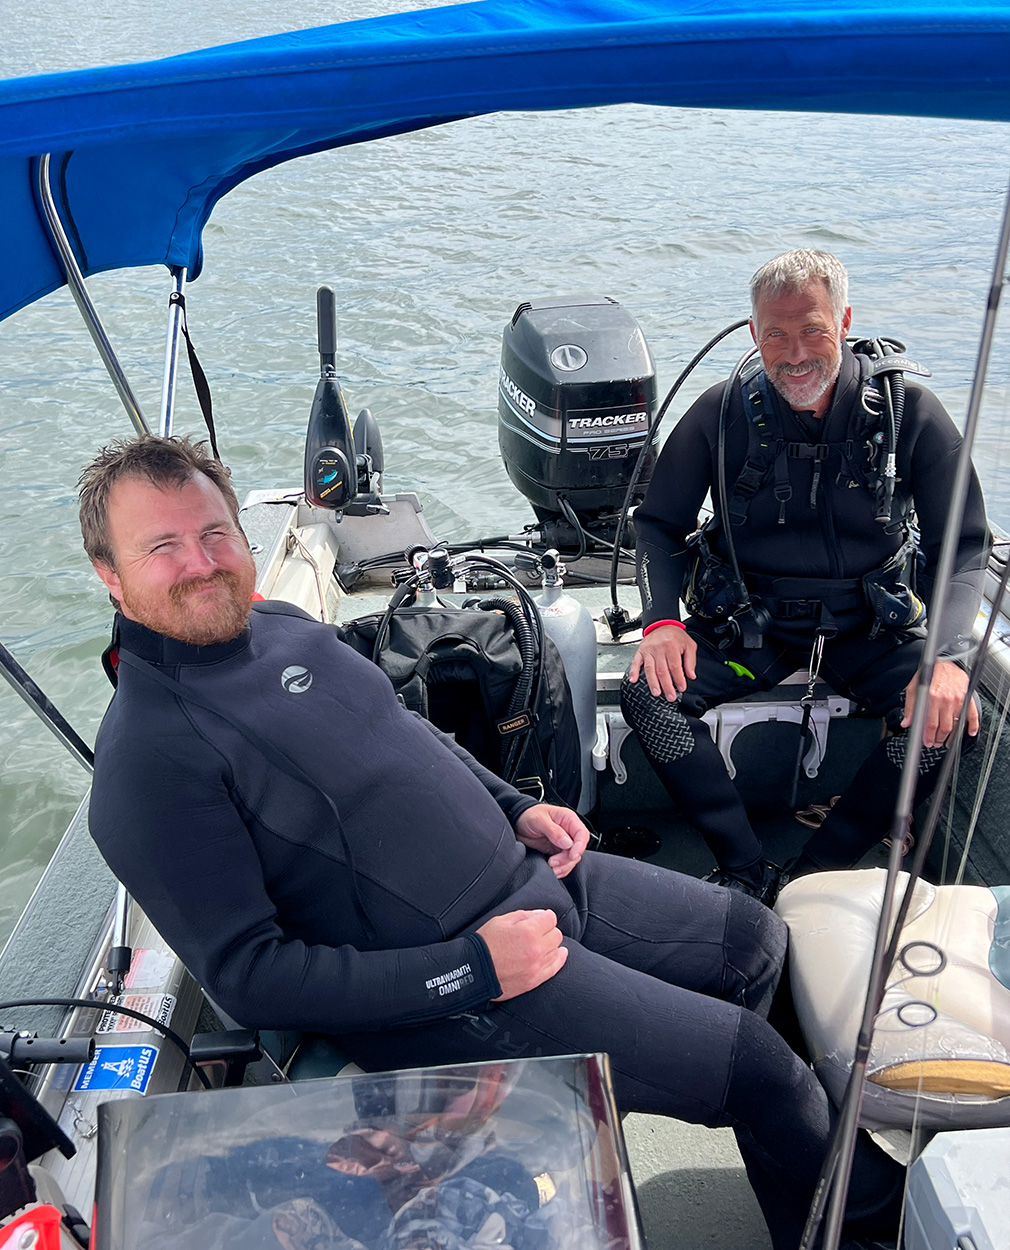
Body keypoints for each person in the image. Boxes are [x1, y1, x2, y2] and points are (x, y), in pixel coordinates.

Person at [80, 434, 901, 1250]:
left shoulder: (282, 625)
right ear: (109, 576)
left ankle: (740, 1128)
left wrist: (513, 807)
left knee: (756, 939)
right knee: (760, 1070)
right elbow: (254, 979)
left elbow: (401, 729)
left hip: (533, 875)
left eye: (215, 532)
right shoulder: (148, 763)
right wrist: (474, 968)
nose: (201, 562)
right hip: (458, 986)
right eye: (162, 547)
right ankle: (857, 1219)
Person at [622, 249, 988, 901]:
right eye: (776, 335)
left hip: (867, 629)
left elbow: (961, 544)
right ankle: (741, 866)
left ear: (843, 320)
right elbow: (656, 525)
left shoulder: (911, 415)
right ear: (754, 332)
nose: (795, 354)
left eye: (813, 329)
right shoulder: (720, 413)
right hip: (747, 629)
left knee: (947, 716)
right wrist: (662, 622)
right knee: (650, 696)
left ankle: (816, 871)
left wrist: (948, 657)